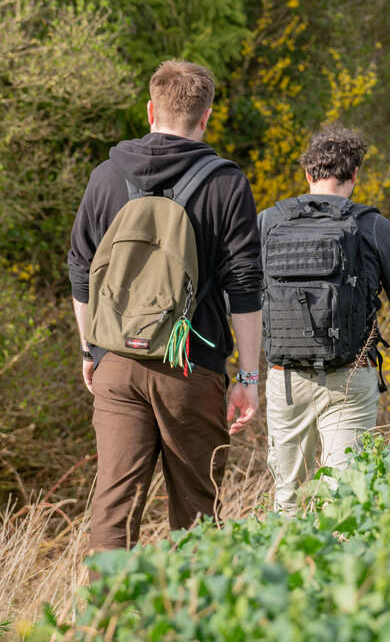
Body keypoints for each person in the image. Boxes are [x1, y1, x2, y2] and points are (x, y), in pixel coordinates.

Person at [68, 59, 262, 552]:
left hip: (117, 364)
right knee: (198, 510)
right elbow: (244, 286)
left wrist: (91, 350)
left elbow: (79, 269)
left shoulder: (106, 176)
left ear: (150, 109)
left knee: (114, 507)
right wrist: (249, 377)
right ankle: (190, 622)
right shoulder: (225, 183)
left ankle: (104, 625)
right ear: (207, 117)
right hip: (191, 366)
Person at [259, 124, 390, 512]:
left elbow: (248, 299)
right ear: (354, 175)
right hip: (351, 377)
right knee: (345, 500)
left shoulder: (270, 221)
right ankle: (342, 569)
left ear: (307, 175)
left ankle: (284, 568)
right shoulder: (371, 226)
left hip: (285, 379)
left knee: (287, 500)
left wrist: (243, 376)